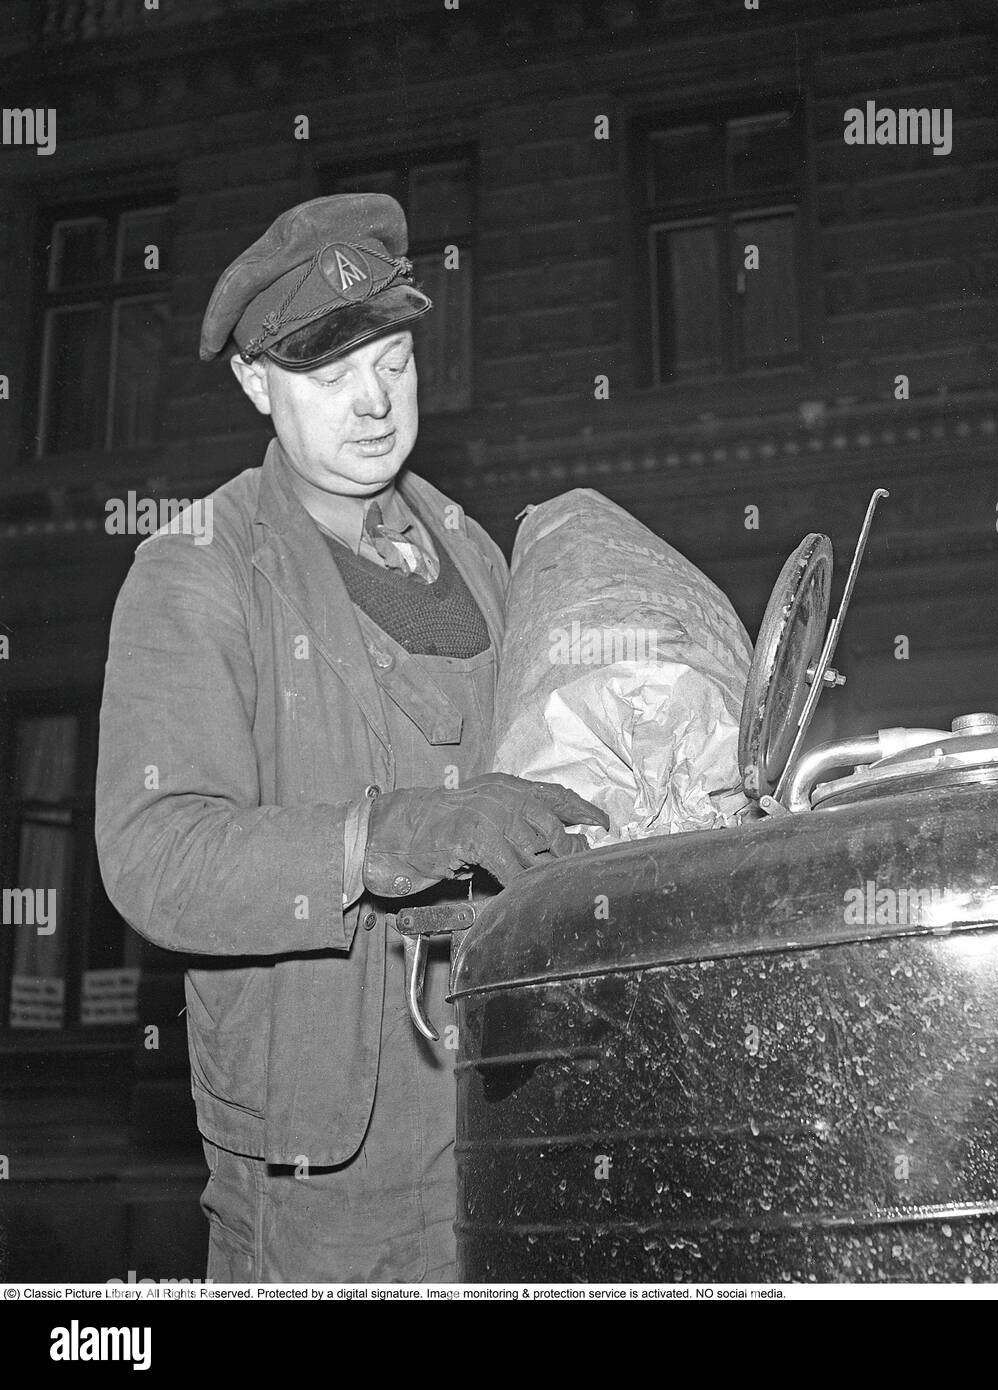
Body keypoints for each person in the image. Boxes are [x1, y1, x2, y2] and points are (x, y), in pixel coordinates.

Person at [95, 193, 607, 1283]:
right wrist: (382, 837)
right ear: (255, 383)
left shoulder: (472, 550)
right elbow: (153, 856)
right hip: (322, 1175)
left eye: (394, 363)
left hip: (501, 1118)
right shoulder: (198, 567)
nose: (373, 403)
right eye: (330, 377)